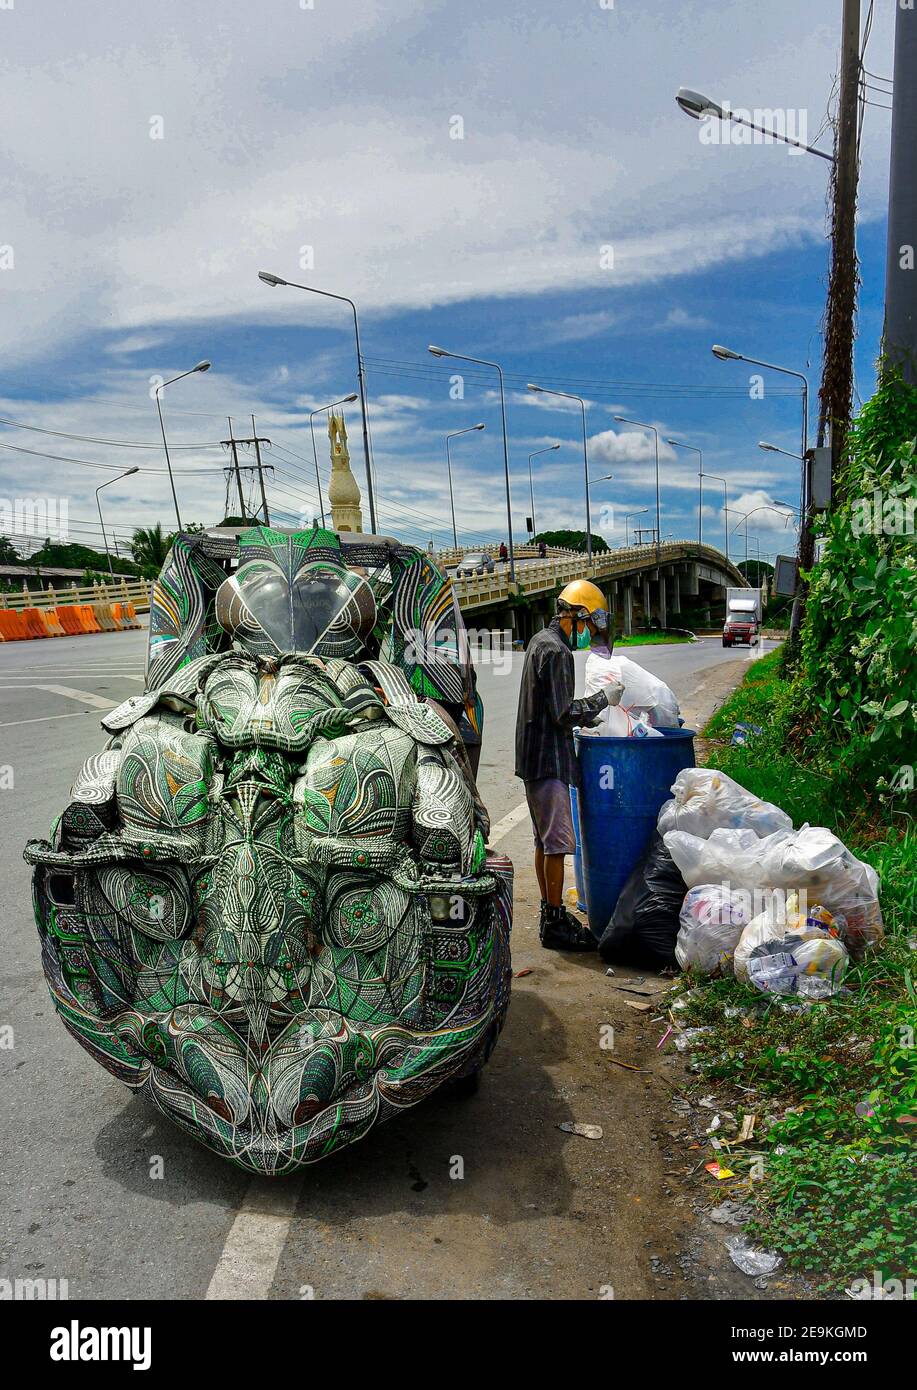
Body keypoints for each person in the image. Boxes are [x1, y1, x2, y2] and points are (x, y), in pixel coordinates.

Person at [514, 580, 624, 951]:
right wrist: (600, 701)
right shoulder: (558, 652)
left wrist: (584, 717)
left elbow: (552, 705)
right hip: (549, 759)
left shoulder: (539, 641)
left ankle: (551, 914)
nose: (589, 635)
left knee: (544, 843)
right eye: (590, 627)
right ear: (576, 616)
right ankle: (556, 922)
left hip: (532, 755)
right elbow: (563, 712)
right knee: (559, 844)